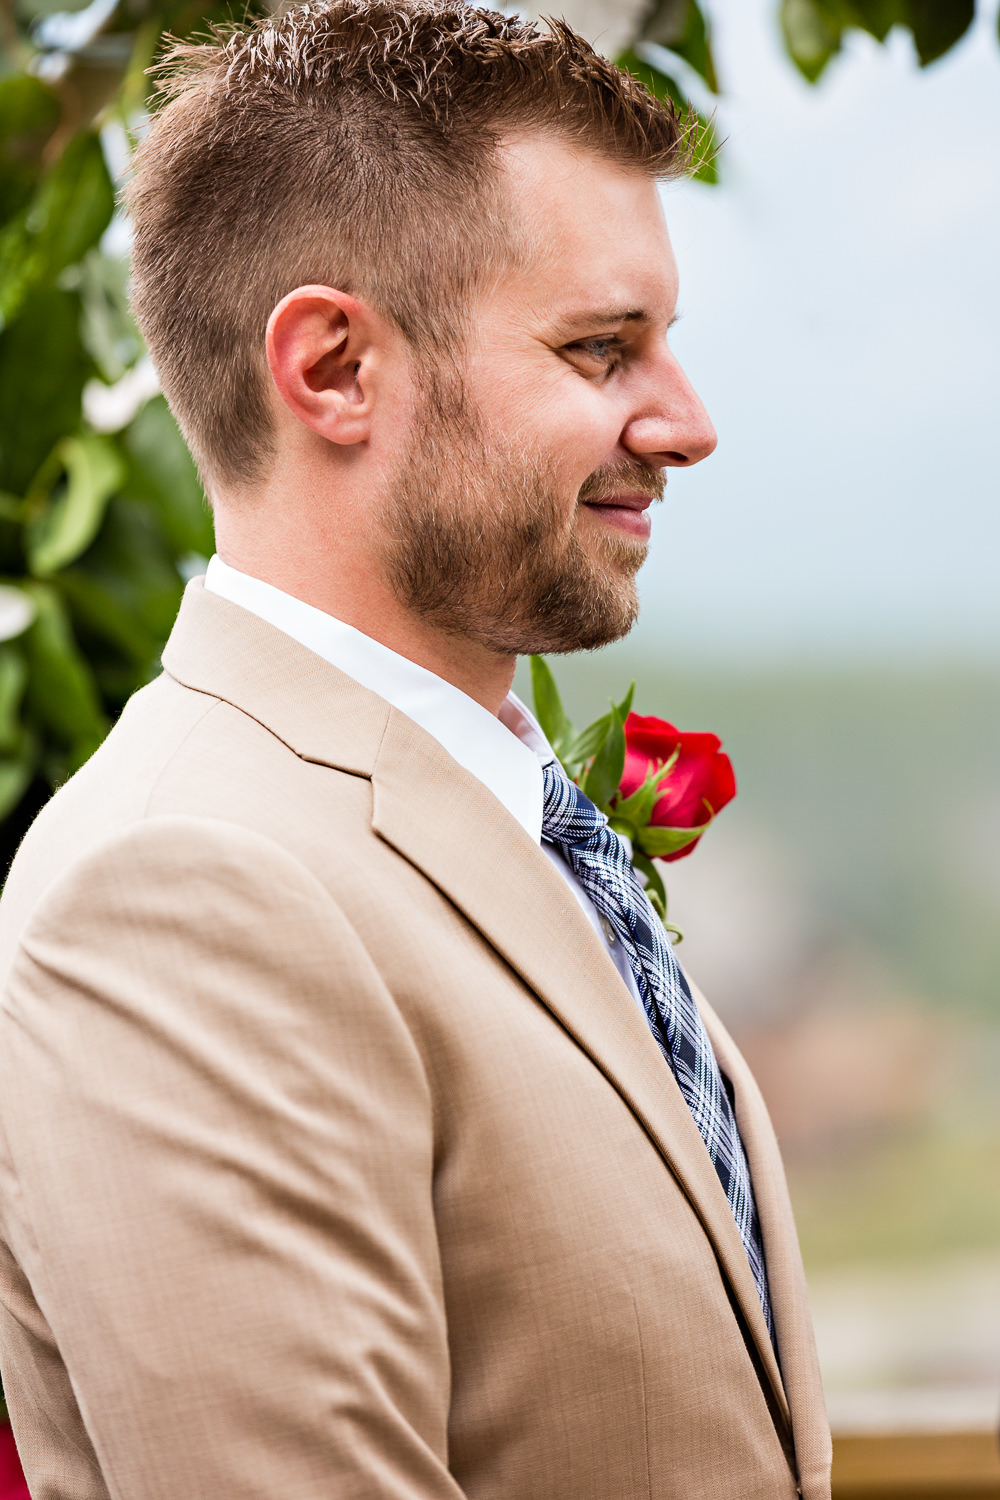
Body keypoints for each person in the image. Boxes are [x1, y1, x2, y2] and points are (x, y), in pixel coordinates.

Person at [0, 2, 832, 1496]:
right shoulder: (179, 888)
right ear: (331, 370)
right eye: (601, 348)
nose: (688, 424)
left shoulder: (512, 813)